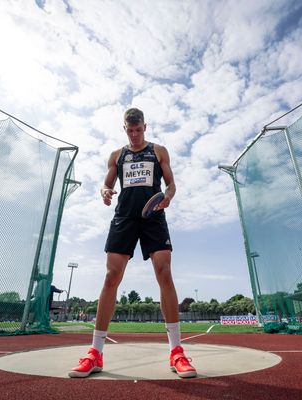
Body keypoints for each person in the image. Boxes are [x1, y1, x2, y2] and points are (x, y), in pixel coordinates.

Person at [68, 108, 196, 379]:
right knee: (111, 276)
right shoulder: (117, 156)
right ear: (124, 129)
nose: (135, 135)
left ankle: (176, 352)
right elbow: (106, 184)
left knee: (164, 273)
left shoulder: (159, 151)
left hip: (153, 215)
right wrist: (105, 192)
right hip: (124, 216)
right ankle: (95, 352)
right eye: (130, 130)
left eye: (139, 130)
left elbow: (171, 184)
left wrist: (168, 196)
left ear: (145, 127)